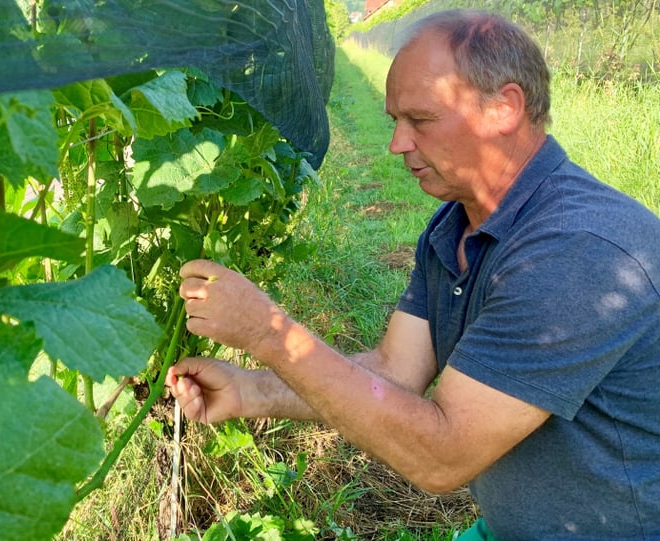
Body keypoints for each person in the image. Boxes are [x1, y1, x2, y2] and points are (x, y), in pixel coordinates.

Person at [166, 9, 660, 540]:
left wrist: (270, 333)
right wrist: (249, 392)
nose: (398, 145)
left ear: (505, 108)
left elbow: (443, 457)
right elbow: (394, 370)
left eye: (421, 121)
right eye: (395, 121)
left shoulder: (577, 252)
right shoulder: (454, 226)